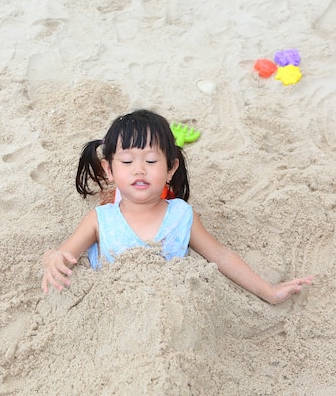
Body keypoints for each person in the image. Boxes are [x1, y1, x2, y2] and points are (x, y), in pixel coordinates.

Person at [41, 109, 313, 304]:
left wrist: (269, 291)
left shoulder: (181, 215)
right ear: (109, 169)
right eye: (126, 162)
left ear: (171, 168)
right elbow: (62, 255)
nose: (139, 170)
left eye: (151, 161)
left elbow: (220, 254)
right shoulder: (100, 220)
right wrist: (52, 259)